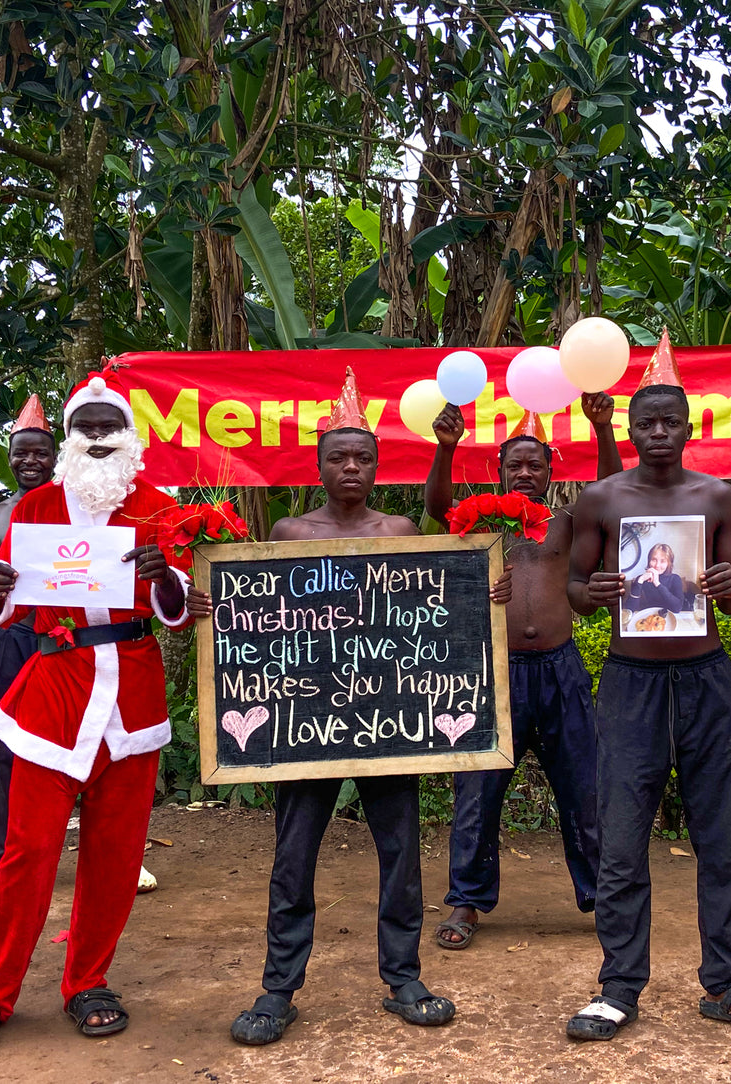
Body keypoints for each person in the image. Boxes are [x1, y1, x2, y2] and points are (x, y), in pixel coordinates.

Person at [191, 369, 510, 1047]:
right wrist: (210, 607)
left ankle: (402, 977)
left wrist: (487, 597)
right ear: (319, 464)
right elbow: (259, 617)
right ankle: (279, 986)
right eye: (338, 457)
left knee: (399, 852)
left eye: (362, 457)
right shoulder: (288, 531)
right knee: (293, 855)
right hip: (304, 724)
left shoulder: (398, 530)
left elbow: (439, 604)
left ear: (376, 463)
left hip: (388, 720)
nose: (350, 467)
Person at [0, 368, 192, 1051]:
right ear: (70, 437)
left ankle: (87, 981)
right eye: (87, 425)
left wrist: (164, 575)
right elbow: (4, 604)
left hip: (132, 695)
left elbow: (178, 614)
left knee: (114, 856)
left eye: (111, 424)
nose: (100, 435)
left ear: (130, 435)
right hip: (53, 694)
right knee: (26, 853)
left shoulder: (159, 505)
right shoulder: (36, 509)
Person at [563, 337, 731, 1041]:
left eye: (670, 421)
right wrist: (592, 590)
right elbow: (575, 590)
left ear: (688, 427)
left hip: (705, 682)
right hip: (630, 683)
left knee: (721, 838)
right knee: (621, 844)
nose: (658, 432)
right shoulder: (599, 500)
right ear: (630, 430)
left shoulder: (715, 496)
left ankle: (725, 983)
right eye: (646, 422)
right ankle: (617, 987)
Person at [424, 394, 620, 950]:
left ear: (551, 471)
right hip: (494, 673)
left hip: (561, 669)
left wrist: (603, 430)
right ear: (500, 470)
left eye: (536, 464)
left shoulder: (567, 522)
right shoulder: (480, 520)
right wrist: (446, 447)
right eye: (516, 464)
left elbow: (610, 495)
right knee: (477, 789)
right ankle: (466, 899)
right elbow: (437, 503)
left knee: (584, 787)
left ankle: (600, 897)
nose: (526, 472)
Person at [0, 395, 156, 900]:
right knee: (15, 750)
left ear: (54, 453)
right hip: (21, 638)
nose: (30, 461)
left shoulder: (115, 502)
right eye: (20, 453)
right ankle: (2, 858)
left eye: (39, 453)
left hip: (95, 642)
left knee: (110, 748)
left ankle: (118, 855)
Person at [624, 543, 687, 614]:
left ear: (669, 564)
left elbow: (677, 608)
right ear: (649, 561)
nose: (657, 565)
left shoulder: (675, 579)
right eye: (654, 560)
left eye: (662, 561)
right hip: (647, 619)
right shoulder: (641, 579)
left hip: (669, 618)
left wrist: (657, 584)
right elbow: (629, 610)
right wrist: (640, 581)